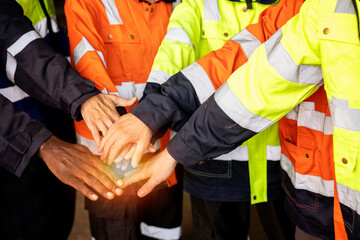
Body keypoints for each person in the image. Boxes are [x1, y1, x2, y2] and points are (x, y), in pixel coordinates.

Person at [99, 0, 348, 239]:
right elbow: (170, 62)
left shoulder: (294, 7)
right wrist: (149, 120)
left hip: (279, 167)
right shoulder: (197, 6)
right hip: (211, 167)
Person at [0, 1, 136, 238]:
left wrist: (82, 97)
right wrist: (42, 144)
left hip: (54, 122)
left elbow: (19, 40)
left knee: (54, 222)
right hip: (12, 148)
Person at [64, 0, 182, 239]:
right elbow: (90, 72)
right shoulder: (86, 2)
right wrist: (130, 136)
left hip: (165, 161)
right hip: (109, 168)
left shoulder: (178, 5)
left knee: (164, 234)